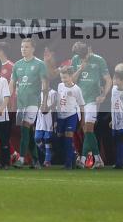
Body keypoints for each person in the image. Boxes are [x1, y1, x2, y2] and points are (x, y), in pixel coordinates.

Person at [9, 38, 49, 169]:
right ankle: (36, 160)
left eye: (26, 47)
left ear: (33, 48)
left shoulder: (39, 64)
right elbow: (12, 83)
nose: (23, 49)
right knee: (27, 131)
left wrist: (44, 102)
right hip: (21, 103)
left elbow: (44, 83)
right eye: (22, 47)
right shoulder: (17, 65)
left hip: (33, 102)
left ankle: (21, 158)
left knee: (25, 127)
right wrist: (8, 99)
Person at [71, 41, 111, 170]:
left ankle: (82, 159)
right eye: (79, 54)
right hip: (80, 101)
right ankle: (98, 159)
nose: (81, 57)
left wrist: (103, 95)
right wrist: (80, 69)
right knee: (86, 130)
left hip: (93, 99)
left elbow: (108, 80)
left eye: (83, 54)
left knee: (88, 127)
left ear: (89, 49)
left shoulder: (99, 60)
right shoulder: (76, 59)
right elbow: (72, 80)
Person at [56, 66, 85, 170]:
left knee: (68, 138)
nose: (63, 80)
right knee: (60, 139)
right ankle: (74, 157)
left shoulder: (76, 89)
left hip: (71, 116)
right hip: (60, 116)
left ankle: (68, 164)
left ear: (71, 76)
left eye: (65, 77)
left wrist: (82, 120)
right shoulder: (60, 86)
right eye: (62, 77)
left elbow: (81, 105)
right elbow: (58, 101)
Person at [34, 79, 57, 168]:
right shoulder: (38, 92)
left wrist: (55, 120)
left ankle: (47, 160)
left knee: (47, 139)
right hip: (40, 118)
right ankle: (48, 153)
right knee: (37, 138)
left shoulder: (53, 92)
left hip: (49, 118)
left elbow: (55, 106)